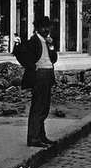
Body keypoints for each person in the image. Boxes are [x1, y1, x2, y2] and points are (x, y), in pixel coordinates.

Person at [14, 16, 59, 148]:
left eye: (48, 27)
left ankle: (41, 135)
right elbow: (22, 55)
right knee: (38, 108)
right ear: (38, 28)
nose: (46, 30)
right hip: (39, 76)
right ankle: (33, 138)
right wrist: (32, 68)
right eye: (43, 27)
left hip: (48, 76)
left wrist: (51, 46)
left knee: (44, 107)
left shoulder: (47, 41)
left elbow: (54, 59)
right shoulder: (33, 41)